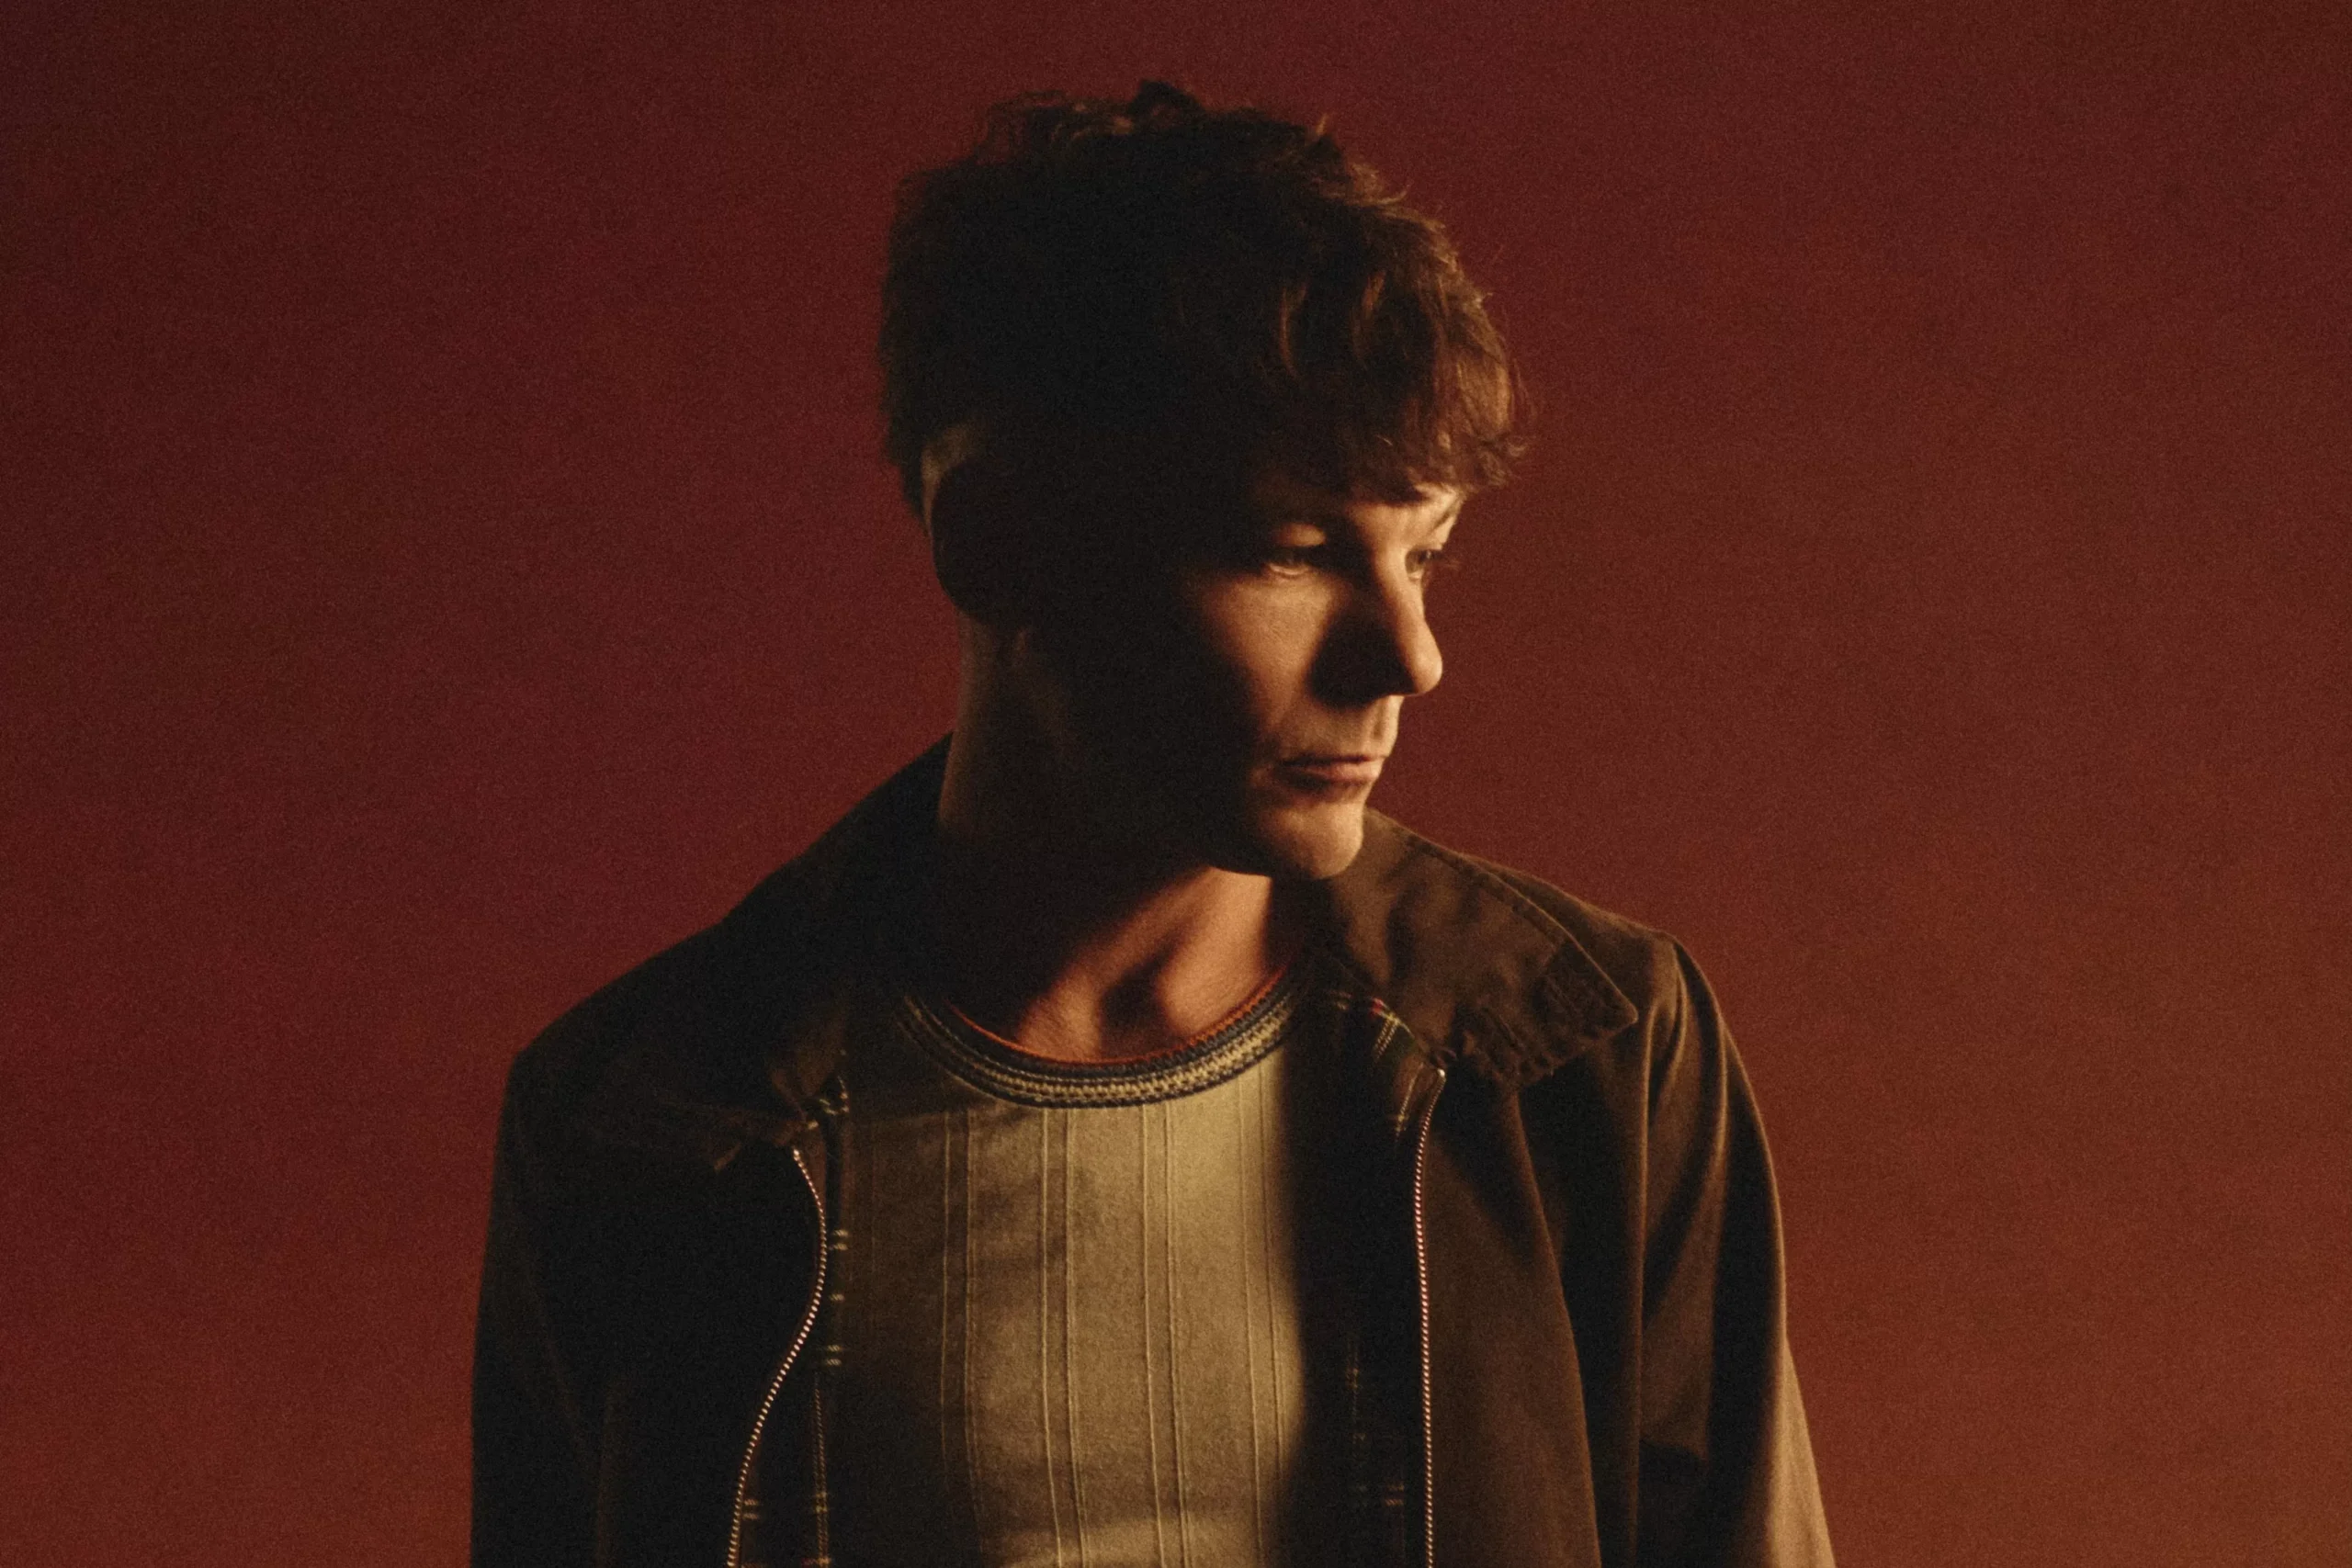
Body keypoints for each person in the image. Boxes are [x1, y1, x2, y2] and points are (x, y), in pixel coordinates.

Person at [472, 82, 1835, 1568]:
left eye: (1426, 555)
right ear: (995, 542)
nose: (1409, 656)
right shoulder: (646, 1125)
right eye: (1294, 552)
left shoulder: (1589, 1059)